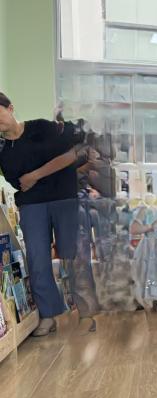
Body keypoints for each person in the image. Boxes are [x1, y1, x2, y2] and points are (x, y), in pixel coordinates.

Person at [0, 95, 86, 336]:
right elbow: (16, 181)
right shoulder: (1, 148)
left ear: (10, 108)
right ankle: (48, 315)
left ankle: (85, 307)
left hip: (64, 198)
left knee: (72, 254)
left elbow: (73, 154)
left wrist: (35, 175)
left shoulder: (41, 127)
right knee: (37, 260)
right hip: (31, 205)